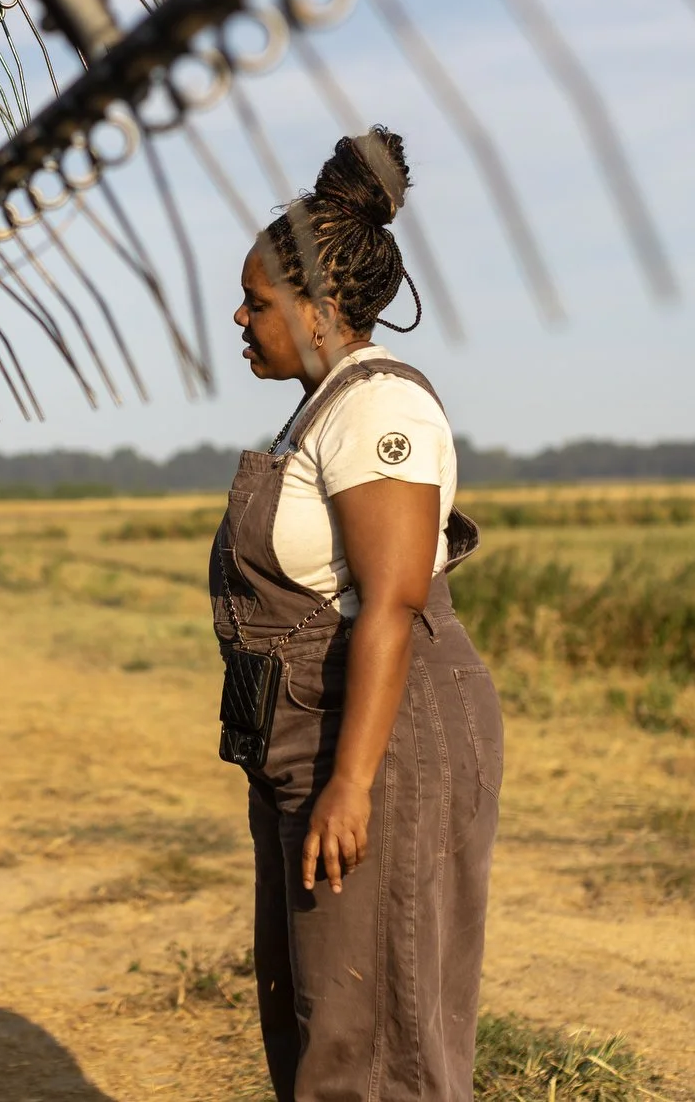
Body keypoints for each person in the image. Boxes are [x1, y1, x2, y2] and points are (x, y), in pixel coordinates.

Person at [210, 126, 499, 1101]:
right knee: (316, 1024)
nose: (240, 320)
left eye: (256, 302)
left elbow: (391, 603)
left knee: (374, 1045)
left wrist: (352, 780)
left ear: (320, 305)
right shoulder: (317, 409)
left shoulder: (377, 411)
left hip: (381, 733)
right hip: (301, 735)